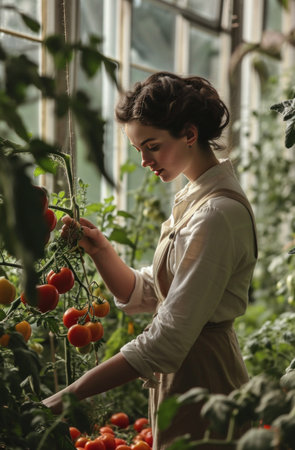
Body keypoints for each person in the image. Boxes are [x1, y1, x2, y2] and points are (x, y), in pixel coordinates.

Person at [43, 72, 258, 449]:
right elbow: (155, 295)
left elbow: (167, 339)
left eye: (152, 146)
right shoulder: (196, 198)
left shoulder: (217, 214)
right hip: (186, 377)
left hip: (204, 384)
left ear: (189, 134)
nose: (144, 161)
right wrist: (101, 251)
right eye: (138, 149)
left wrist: (67, 396)